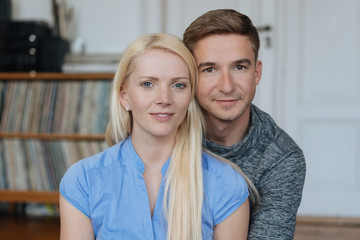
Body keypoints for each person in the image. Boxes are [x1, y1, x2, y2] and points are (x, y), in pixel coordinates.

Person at [59, 33, 255, 239]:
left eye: (178, 85)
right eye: (148, 84)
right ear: (124, 96)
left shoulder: (227, 183)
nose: (164, 99)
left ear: (190, 98)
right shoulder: (83, 180)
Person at [183, 9, 306, 239]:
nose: (227, 86)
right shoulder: (166, 132)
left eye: (239, 67)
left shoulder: (282, 158)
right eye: (210, 69)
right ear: (190, 76)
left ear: (256, 73)